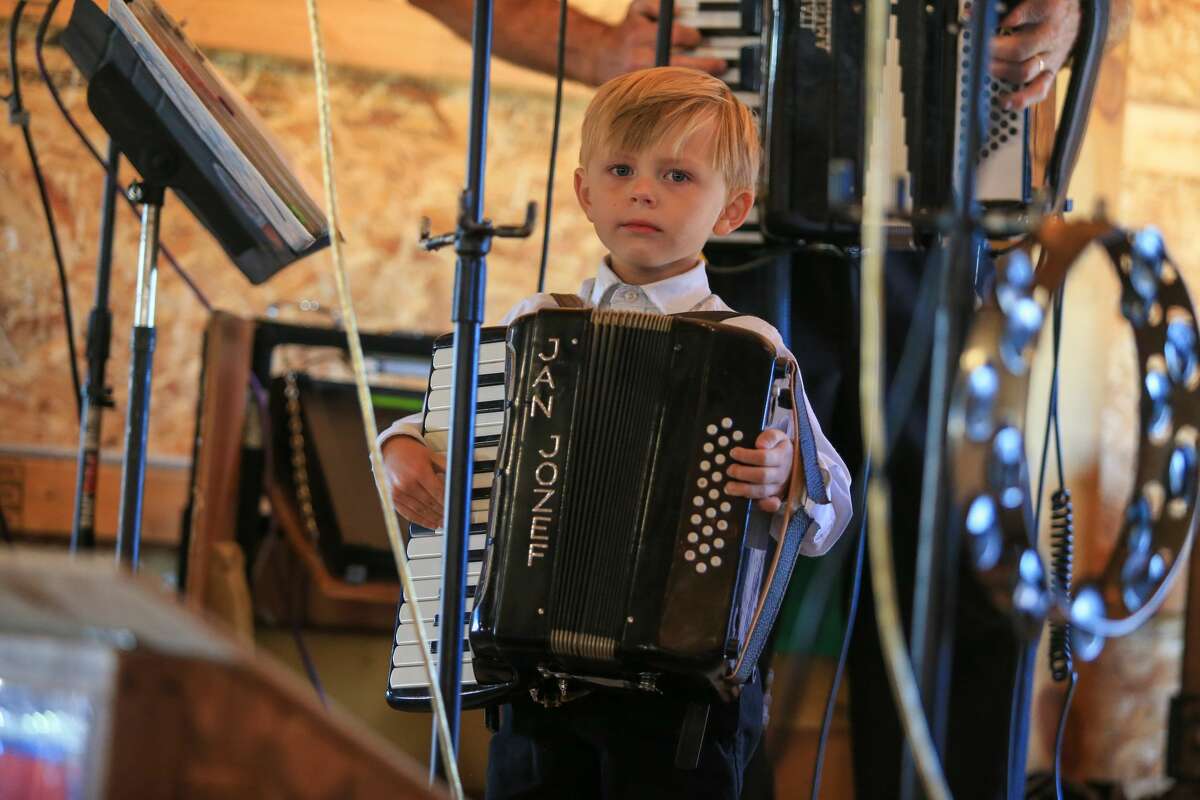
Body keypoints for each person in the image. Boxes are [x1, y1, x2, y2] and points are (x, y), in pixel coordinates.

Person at [379, 66, 853, 799]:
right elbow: (452, 431)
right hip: (533, 692)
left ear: (731, 211)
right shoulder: (535, 323)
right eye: (622, 169)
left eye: (677, 175)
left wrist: (786, 476)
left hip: (682, 706)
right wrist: (399, 447)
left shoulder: (751, 347)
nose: (643, 190)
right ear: (584, 192)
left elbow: (830, 511)